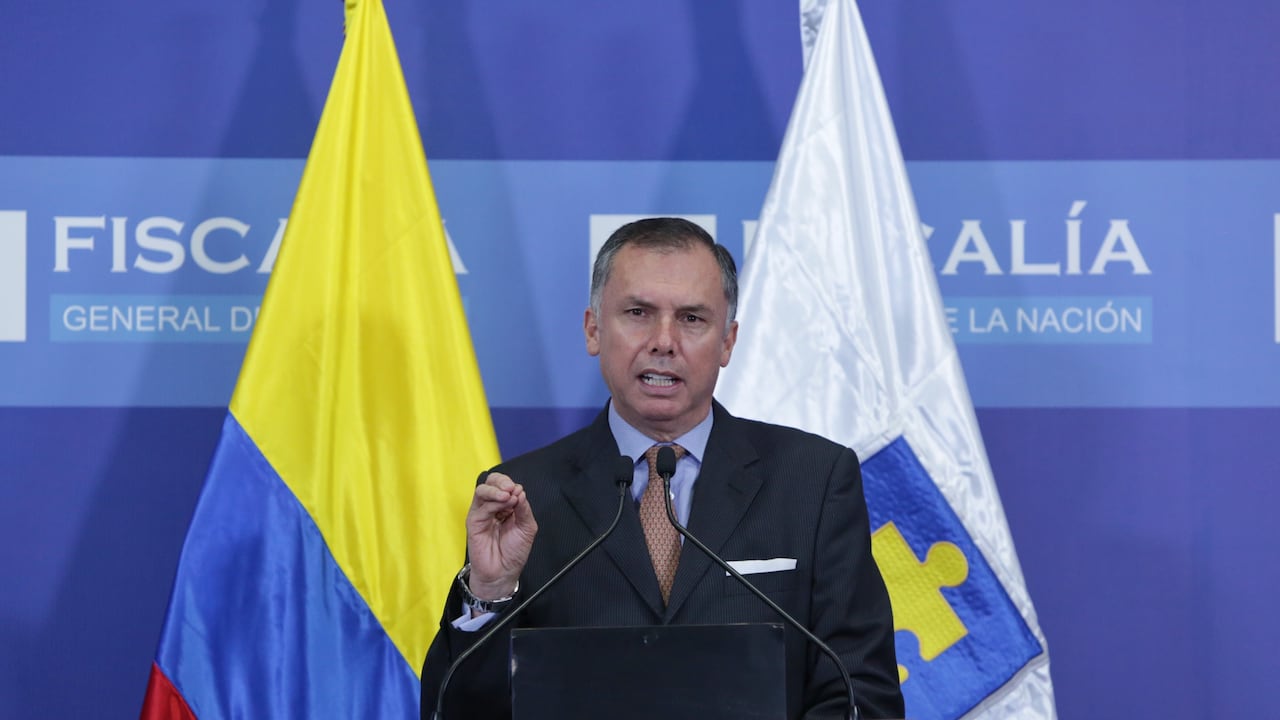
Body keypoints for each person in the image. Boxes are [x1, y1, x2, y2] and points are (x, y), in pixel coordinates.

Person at [420, 217, 904, 719]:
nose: (664, 341)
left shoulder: (814, 480)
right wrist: (491, 594)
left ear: (727, 342)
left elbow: (859, 693)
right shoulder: (525, 495)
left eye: (692, 319)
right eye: (638, 312)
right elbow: (457, 710)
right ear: (593, 329)